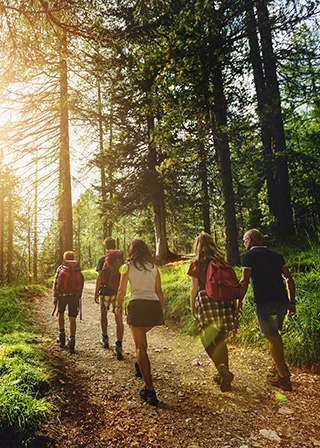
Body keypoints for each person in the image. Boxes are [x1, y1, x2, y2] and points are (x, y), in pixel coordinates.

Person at [240, 229, 296, 391]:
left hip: (265, 302)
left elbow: (244, 281)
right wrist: (292, 302)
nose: (244, 244)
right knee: (275, 335)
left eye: (244, 240)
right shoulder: (276, 255)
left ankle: (283, 378)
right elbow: (289, 279)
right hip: (282, 301)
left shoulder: (248, 256)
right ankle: (281, 368)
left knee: (271, 337)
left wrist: (238, 301)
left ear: (250, 239)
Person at [187, 232, 239, 392]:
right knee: (221, 339)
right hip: (224, 301)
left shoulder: (196, 263)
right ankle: (224, 376)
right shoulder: (220, 261)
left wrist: (192, 307)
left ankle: (222, 370)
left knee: (206, 339)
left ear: (197, 246)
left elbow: (194, 288)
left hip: (206, 301)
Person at [115, 239, 164, 406]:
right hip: (153, 306)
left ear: (131, 250)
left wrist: (118, 306)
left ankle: (149, 391)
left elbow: (122, 290)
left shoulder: (127, 266)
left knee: (140, 347)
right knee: (142, 342)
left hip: (137, 305)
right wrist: (161, 310)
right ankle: (141, 367)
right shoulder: (153, 267)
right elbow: (159, 291)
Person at [95, 237, 124, 360]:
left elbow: (100, 277)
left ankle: (105, 338)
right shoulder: (120, 260)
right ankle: (119, 345)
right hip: (117, 291)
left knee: (103, 314)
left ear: (105, 247)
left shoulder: (102, 260)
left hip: (105, 290)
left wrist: (96, 292)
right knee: (118, 317)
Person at [53, 251, 84, 354]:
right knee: (72, 319)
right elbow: (80, 281)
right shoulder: (77, 268)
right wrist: (79, 294)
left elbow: (56, 282)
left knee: (60, 314)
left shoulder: (61, 268)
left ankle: (62, 338)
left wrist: (54, 297)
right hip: (74, 296)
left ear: (64, 258)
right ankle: (72, 341)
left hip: (62, 296)